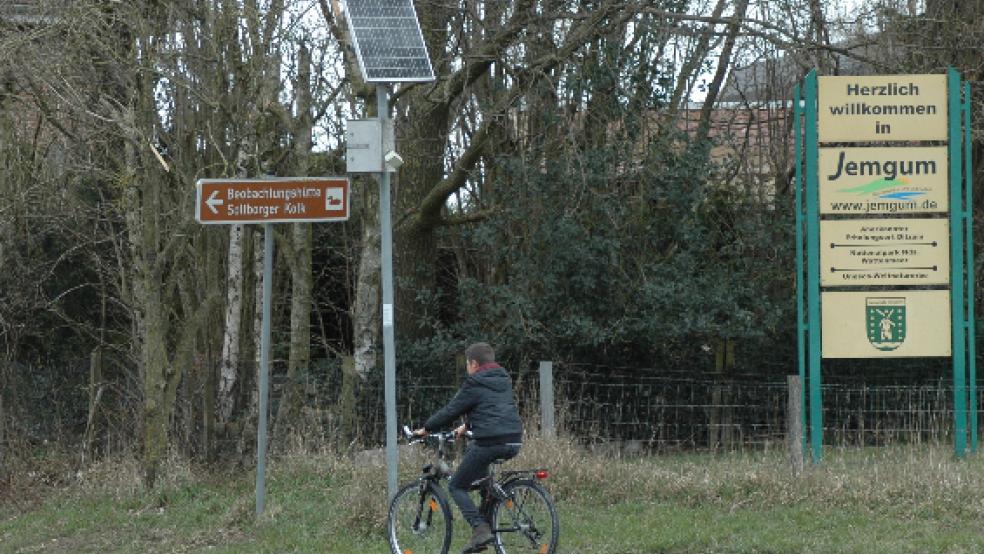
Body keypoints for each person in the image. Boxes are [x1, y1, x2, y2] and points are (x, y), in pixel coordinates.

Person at [413, 342, 523, 554]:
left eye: (467, 364)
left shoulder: (475, 382)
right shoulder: (503, 378)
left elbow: (451, 410)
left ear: (473, 363)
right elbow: (492, 408)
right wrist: (467, 426)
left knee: (456, 485)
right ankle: (489, 515)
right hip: (514, 439)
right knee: (481, 475)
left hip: (491, 441)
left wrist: (426, 428)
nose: (467, 368)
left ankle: (480, 529)